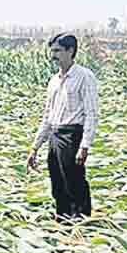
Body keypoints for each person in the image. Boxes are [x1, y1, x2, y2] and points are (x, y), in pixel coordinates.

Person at [27, 33, 99, 218]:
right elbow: (47, 116)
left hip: (72, 135)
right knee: (57, 184)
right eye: (52, 50)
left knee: (74, 182)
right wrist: (35, 147)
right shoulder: (54, 81)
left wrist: (85, 146)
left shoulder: (84, 76)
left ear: (70, 50)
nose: (53, 55)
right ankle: (63, 222)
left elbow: (91, 113)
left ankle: (81, 223)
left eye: (58, 50)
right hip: (55, 136)